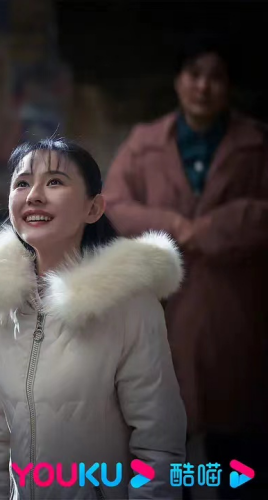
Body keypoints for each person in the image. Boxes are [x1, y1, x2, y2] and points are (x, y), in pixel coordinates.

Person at [0, 139, 187, 500]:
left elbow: (159, 448)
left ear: (93, 208)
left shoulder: (129, 306)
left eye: (54, 182)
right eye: (22, 183)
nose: (34, 196)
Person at [103, 39, 268, 499]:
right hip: (166, 311)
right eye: (194, 74)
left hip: (236, 310)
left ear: (229, 86)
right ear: (178, 81)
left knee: (240, 443)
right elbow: (113, 204)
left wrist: (218, 228)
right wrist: (174, 226)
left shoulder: (256, 143)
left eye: (216, 76)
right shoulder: (144, 144)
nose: (203, 86)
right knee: (163, 440)